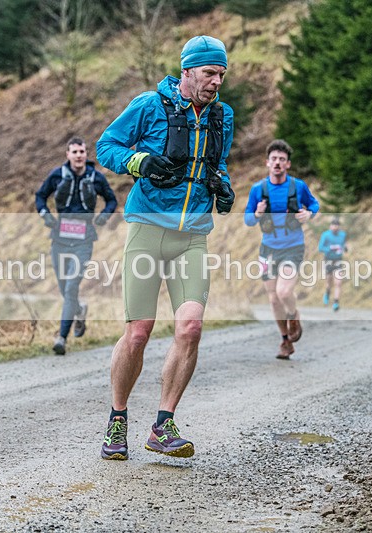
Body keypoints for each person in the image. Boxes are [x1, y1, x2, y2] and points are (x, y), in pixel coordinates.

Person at [95, 35, 235, 460]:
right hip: (147, 229)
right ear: (188, 71)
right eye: (210, 73)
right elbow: (107, 146)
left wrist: (223, 185)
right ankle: (117, 420)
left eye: (222, 74)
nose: (217, 81)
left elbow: (220, 161)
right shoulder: (148, 105)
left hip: (193, 233)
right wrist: (139, 162)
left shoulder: (222, 116)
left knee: (190, 327)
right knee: (138, 331)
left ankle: (163, 424)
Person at [35, 137, 118, 355]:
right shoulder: (57, 175)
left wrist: (102, 218)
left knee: (72, 286)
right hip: (59, 239)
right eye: (75, 152)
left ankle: (61, 337)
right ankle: (79, 310)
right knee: (64, 289)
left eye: (82, 151)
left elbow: (111, 200)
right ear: (68, 154)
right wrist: (46, 215)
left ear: (86, 154)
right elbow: (40, 197)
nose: (79, 155)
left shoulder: (95, 177)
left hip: (84, 240)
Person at [244, 140, 319, 360]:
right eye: (274, 159)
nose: (278, 163)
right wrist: (257, 214)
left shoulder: (298, 186)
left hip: (293, 246)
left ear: (288, 164)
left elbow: (314, 205)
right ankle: (286, 340)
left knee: (284, 292)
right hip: (268, 248)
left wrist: (309, 214)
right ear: (267, 163)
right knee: (273, 298)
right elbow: (248, 219)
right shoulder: (258, 189)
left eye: (282, 160)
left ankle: (294, 315)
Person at [319, 217, 348, 312]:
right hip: (328, 260)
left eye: (337, 226)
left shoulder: (342, 235)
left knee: (338, 282)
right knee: (329, 282)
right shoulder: (325, 235)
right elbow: (320, 248)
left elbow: (344, 245)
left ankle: (336, 302)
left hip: (338, 260)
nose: (335, 228)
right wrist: (330, 249)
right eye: (333, 226)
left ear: (339, 227)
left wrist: (345, 248)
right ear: (330, 226)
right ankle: (327, 292)